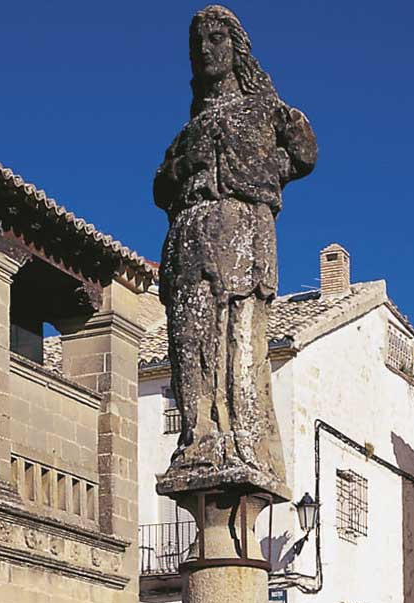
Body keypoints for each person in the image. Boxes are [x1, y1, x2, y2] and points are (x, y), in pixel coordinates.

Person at [153, 5, 317, 500]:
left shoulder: (265, 110)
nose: (206, 49)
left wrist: (263, 172)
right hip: (190, 235)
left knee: (239, 338)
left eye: (217, 39)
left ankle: (241, 436)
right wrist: (188, 164)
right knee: (191, 339)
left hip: (242, 230)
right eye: (198, 42)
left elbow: (305, 152)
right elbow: (160, 187)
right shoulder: (188, 129)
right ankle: (199, 432)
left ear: (236, 47)